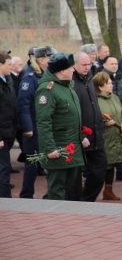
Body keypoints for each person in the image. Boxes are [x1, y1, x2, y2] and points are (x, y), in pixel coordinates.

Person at [36, 53, 90, 200]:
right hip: (58, 148)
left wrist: (82, 136)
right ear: (62, 71)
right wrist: (50, 147)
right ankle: (51, 218)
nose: (73, 70)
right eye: (70, 67)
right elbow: (43, 121)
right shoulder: (48, 90)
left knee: (67, 187)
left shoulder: (67, 87)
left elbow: (71, 118)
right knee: (57, 189)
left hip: (72, 146)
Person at [18, 45, 56, 198]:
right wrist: (27, 127)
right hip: (34, 127)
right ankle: (26, 195)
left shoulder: (49, 76)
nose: (52, 60)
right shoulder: (30, 77)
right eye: (50, 58)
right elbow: (23, 104)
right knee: (32, 163)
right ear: (41, 59)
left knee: (50, 161)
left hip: (46, 126)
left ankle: (51, 194)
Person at [69, 52, 106, 202]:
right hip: (80, 135)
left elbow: (93, 104)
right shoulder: (70, 82)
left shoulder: (89, 78)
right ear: (74, 65)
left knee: (100, 169)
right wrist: (80, 134)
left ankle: (87, 200)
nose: (86, 68)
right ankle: (74, 202)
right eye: (83, 65)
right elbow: (71, 112)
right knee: (75, 175)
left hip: (95, 133)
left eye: (88, 64)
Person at [94, 72, 122, 201]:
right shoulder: (95, 100)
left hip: (116, 137)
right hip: (104, 137)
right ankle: (93, 189)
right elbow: (93, 117)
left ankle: (108, 190)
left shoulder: (115, 97)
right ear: (100, 86)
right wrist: (104, 123)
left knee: (111, 164)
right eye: (108, 84)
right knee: (103, 165)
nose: (111, 85)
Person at [0, 51, 18, 198]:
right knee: (3, 169)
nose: (11, 68)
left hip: (8, 132)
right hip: (2, 135)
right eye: (8, 65)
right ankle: (6, 202)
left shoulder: (7, 80)